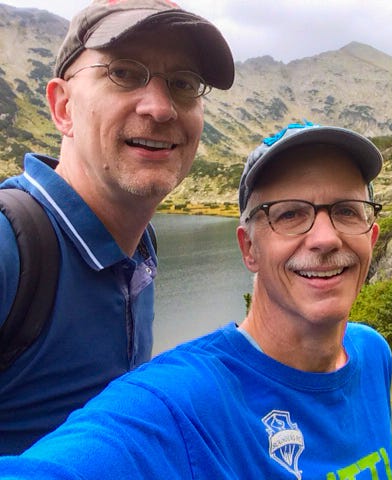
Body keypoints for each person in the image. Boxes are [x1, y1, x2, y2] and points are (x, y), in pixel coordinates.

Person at [0, 121, 392, 479]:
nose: (326, 238)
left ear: (372, 237)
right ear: (249, 249)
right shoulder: (181, 404)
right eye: (290, 214)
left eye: (347, 211)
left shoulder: (372, 353)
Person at [0, 0, 234, 454]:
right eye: (124, 73)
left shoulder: (140, 246)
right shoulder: (12, 247)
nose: (161, 108)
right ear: (63, 106)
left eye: (184, 83)